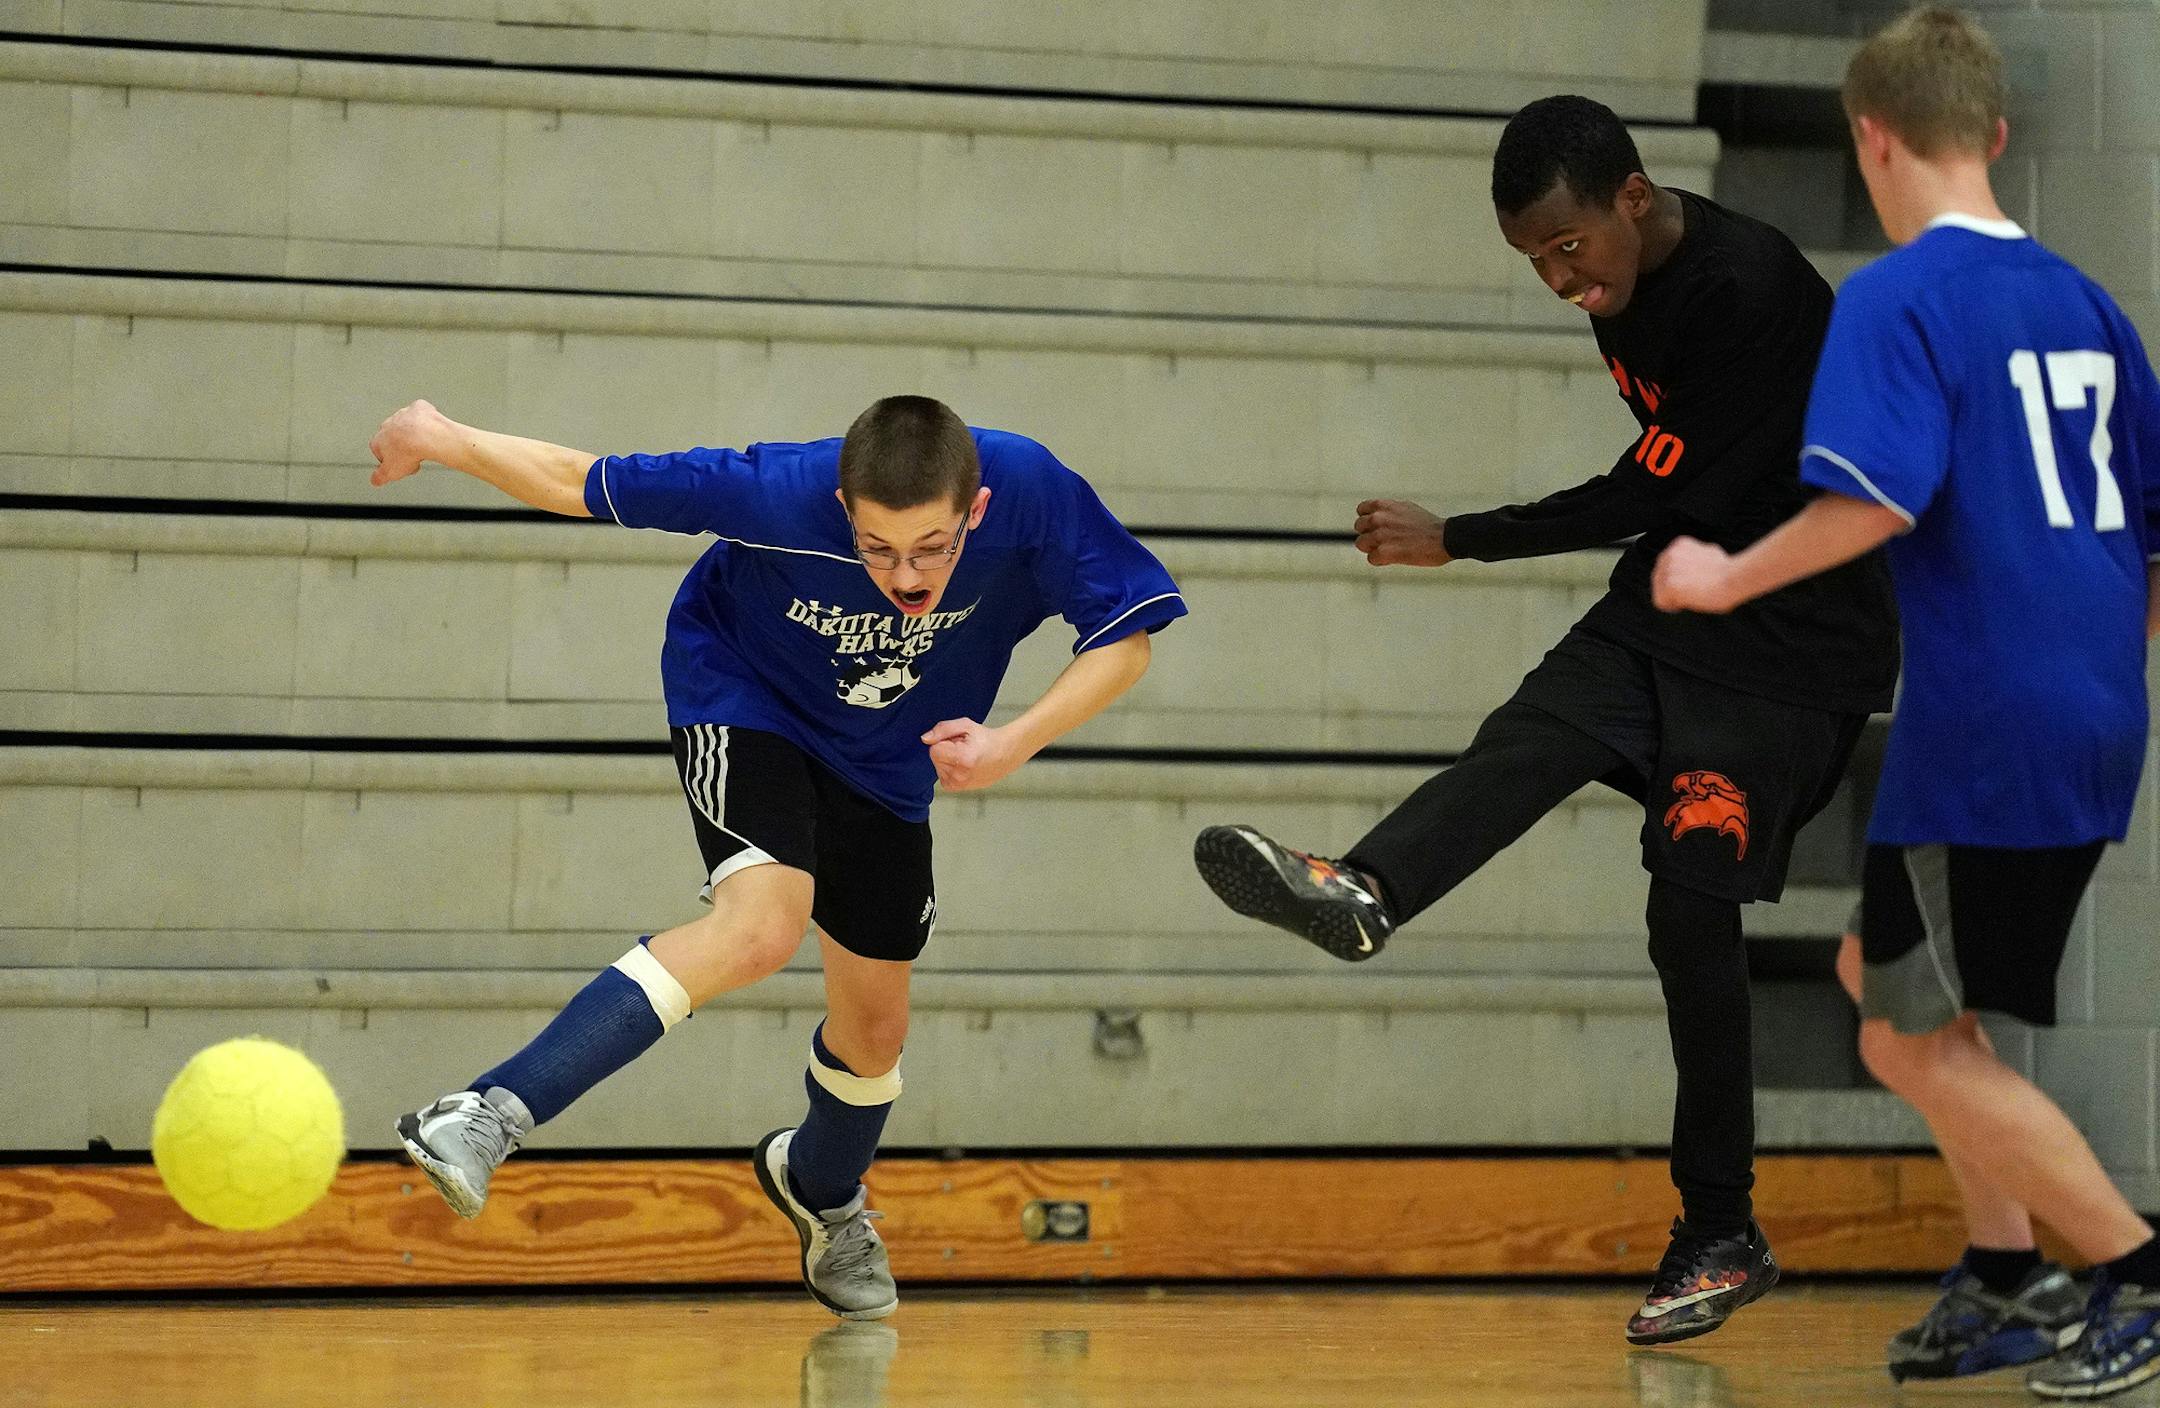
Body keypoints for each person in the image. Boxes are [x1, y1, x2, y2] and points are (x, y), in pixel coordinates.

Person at [1190, 94, 1899, 1344]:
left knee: (1690, 908)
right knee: (1528, 735)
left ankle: (1720, 1227)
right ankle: (1366, 887)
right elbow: (1667, 501)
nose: (1558, 279)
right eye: (1533, 261)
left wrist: (1455, 539)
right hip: (1673, 604)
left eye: (1569, 248)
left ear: (1635, 195)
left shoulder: (1750, 290)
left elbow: (1638, 488)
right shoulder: (1617, 289)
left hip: (1795, 650)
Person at [370, 394, 1185, 1320]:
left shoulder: (1032, 489)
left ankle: (821, 1189)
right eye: (877, 548)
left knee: (875, 1031)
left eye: (931, 547)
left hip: (885, 760)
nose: (907, 576)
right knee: (761, 928)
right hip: (745, 696)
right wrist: (442, 438)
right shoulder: (776, 490)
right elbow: (577, 480)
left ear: (978, 510)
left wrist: (1014, 741)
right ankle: (486, 1113)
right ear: (842, 508)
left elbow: (1127, 636)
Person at [1652, 9, 2160, 1397]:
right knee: (1899, 992)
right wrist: (2104, 666)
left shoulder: (1897, 295)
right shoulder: (2089, 300)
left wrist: (1721, 576)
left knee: (1897, 1031)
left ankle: (2131, 1266)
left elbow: (1873, 499)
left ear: (1868, 138)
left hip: (1986, 719)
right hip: (2090, 708)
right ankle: (2005, 1273)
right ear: (1994, 136)